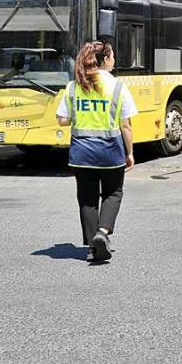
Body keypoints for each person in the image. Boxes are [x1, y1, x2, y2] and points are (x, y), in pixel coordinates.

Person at [55, 41, 138, 263]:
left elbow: (62, 120)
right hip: (110, 153)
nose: (114, 61)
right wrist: (129, 153)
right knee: (113, 193)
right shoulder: (118, 86)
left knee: (87, 199)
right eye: (112, 57)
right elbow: (126, 125)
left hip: (81, 154)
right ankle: (102, 233)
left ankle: (93, 246)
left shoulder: (74, 86)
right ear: (104, 60)